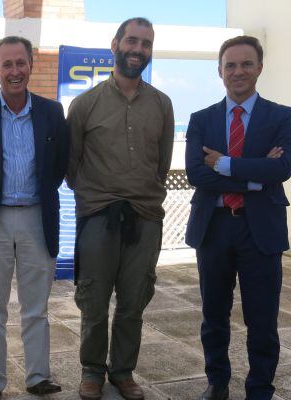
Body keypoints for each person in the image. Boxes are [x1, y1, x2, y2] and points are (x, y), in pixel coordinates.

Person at [66, 17, 174, 400]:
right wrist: (100, 198)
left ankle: (123, 371)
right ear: (114, 45)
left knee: (134, 300)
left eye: (146, 43)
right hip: (99, 218)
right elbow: (71, 165)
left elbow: (162, 164)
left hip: (145, 219)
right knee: (93, 300)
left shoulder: (162, 104)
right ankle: (92, 370)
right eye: (132, 41)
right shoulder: (84, 104)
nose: (138, 49)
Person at [0, 36, 69, 400]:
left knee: (36, 308)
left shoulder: (53, 112)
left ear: (31, 65)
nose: (15, 71)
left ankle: (38, 377)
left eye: (21, 63)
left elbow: (59, 166)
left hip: (38, 216)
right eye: (7, 65)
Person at [185, 35, 291, 400]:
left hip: (260, 231)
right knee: (213, 315)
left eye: (246, 64)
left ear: (260, 68)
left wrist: (225, 163)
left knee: (262, 320)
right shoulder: (201, 120)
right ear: (219, 71)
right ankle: (217, 382)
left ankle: (260, 389)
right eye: (230, 65)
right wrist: (256, 175)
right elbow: (196, 174)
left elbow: (281, 168)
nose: (238, 71)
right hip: (214, 228)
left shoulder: (282, 116)